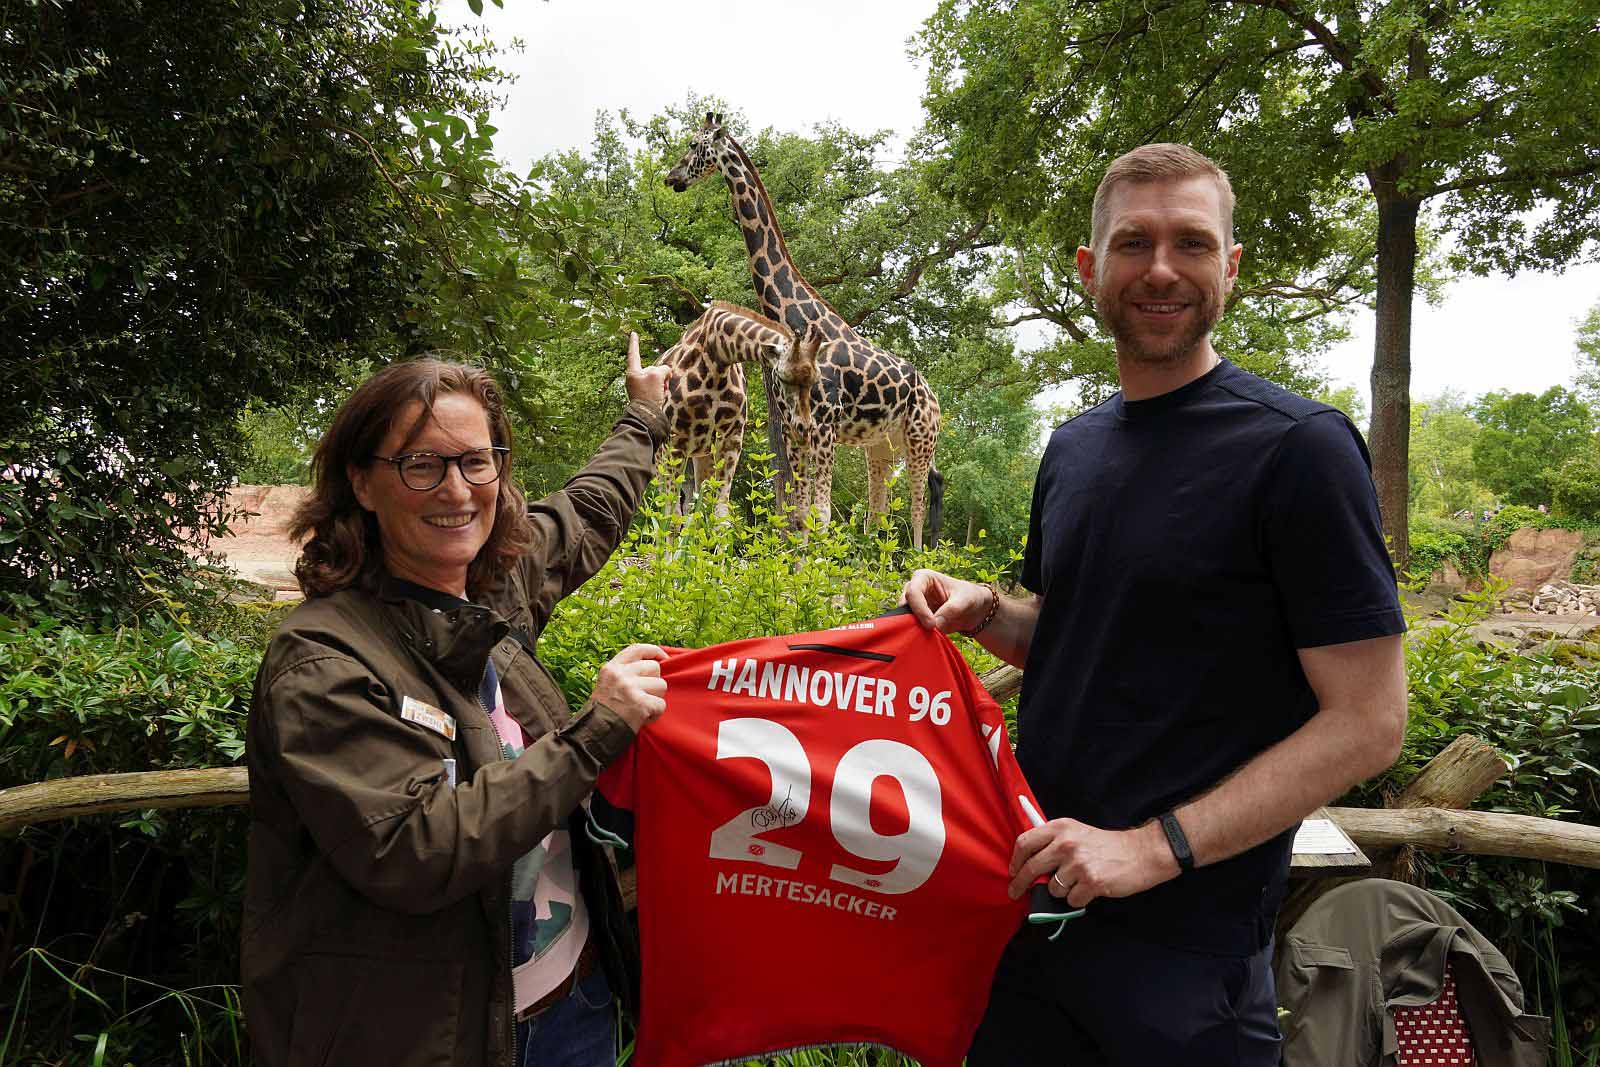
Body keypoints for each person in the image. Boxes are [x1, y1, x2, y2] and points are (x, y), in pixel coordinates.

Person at [902, 144, 1408, 1065]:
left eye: (1192, 243)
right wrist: (984, 612)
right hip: (1033, 907)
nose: (1162, 268)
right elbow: (1080, 637)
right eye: (1134, 243)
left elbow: (1369, 722)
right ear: (1093, 269)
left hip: (1185, 953)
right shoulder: (1075, 447)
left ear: (1231, 267)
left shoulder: (1300, 449)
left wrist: (1150, 848)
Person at [242, 337, 671, 1067]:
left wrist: (646, 415)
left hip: (572, 1006)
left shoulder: (491, 589)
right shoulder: (321, 660)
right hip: (429, 1041)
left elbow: (589, 510)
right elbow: (415, 847)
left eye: (477, 460)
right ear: (364, 483)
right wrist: (594, 733)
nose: (457, 488)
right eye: (422, 463)